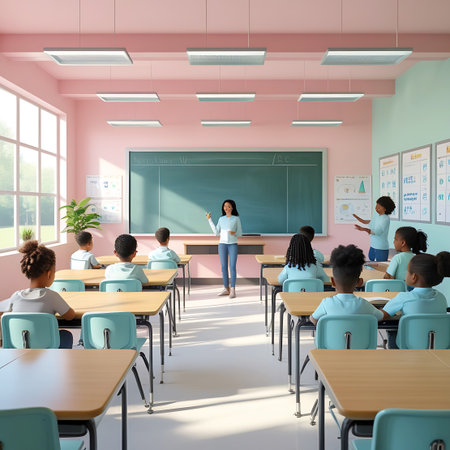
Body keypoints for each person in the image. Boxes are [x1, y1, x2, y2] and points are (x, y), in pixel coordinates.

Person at [1, 241, 75, 348]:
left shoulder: (16, 296)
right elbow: (70, 316)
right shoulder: (52, 296)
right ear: (49, 273)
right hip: (46, 349)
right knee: (66, 335)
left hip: (20, 350)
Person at [381, 252, 450, 348]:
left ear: (414, 277)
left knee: (392, 331)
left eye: (407, 271)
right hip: (438, 349)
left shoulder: (404, 297)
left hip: (408, 350)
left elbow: (381, 315)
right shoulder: (441, 298)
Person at [310, 244, 383, 325]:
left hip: (333, 338)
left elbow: (313, 319)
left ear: (333, 282)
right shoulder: (364, 304)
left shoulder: (326, 303)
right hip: (358, 338)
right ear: (359, 282)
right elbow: (380, 317)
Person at [206, 199, 242, 298]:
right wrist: (209, 220)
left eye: (229, 206)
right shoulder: (221, 219)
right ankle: (226, 288)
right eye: (225, 206)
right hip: (222, 244)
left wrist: (233, 233)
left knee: (232, 266)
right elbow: (216, 232)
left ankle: (233, 289)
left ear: (232, 208)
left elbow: (240, 233)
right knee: (223, 267)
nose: (226, 208)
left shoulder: (236, 219)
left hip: (232, 244)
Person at [353, 196, 396, 262]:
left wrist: (364, 229)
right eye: (376, 206)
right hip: (373, 245)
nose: (376, 208)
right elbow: (370, 222)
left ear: (385, 209)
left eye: (378, 207)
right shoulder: (377, 215)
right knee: (371, 261)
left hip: (380, 247)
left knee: (380, 266)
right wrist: (358, 219)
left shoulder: (385, 219)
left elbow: (377, 232)